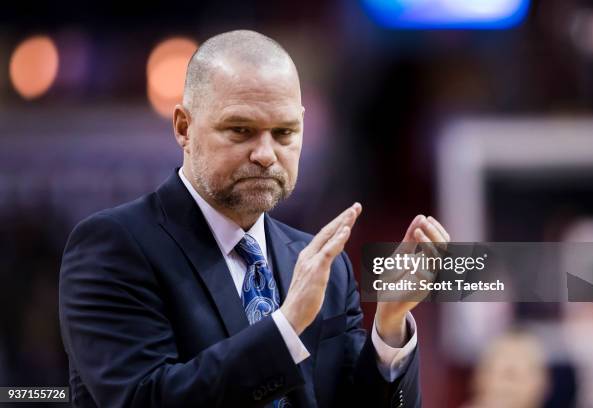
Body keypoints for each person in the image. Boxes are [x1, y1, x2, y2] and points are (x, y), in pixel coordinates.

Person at [59, 29, 450, 408]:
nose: (266, 153)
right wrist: (286, 326)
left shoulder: (321, 266)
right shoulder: (114, 246)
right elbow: (144, 399)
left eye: (284, 133)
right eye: (241, 130)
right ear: (183, 127)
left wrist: (390, 325)